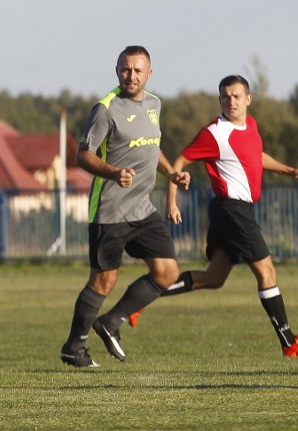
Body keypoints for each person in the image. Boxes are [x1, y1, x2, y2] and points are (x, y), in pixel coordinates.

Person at [156, 74, 298, 357]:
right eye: (225, 96)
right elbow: (179, 162)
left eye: (236, 96)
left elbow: (256, 155)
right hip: (232, 210)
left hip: (230, 211)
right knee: (267, 271)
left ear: (248, 99)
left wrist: (290, 171)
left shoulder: (251, 126)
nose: (231, 101)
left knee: (215, 277)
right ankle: (289, 341)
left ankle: (141, 297)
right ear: (219, 100)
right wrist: (172, 202)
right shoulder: (214, 132)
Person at [60, 45, 190, 368]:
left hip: (142, 208)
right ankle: (73, 347)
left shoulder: (155, 105)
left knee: (167, 271)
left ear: (149, 73)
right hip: (109, 209)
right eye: (124, 69)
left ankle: (111, 322)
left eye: (137, 70)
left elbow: (152, 146)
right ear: (117, 70)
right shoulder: (106, 109)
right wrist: (114, 173)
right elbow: (82, 156)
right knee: (104, 280)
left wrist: (172, 172)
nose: (130, 76)